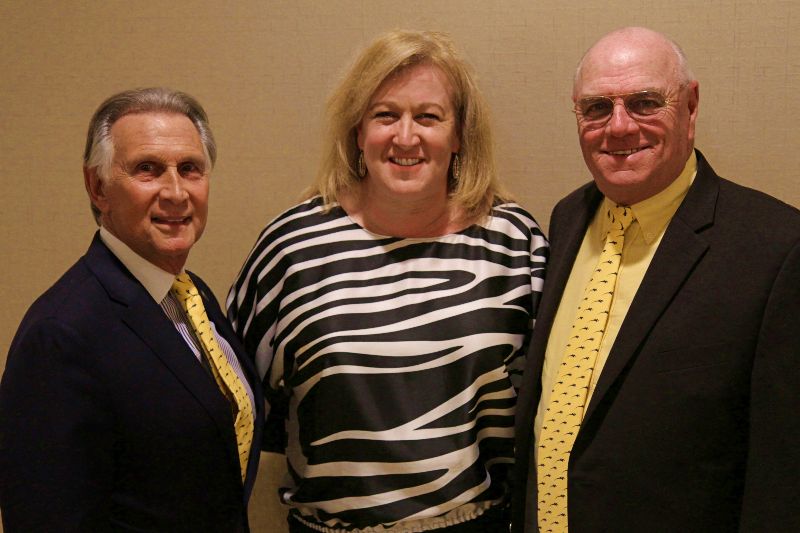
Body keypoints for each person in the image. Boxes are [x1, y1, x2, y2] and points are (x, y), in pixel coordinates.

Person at [228, 30, 547, 532]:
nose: (405, 137)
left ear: (459, 134)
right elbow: (243, 410)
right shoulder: (290, 248)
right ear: (358, 131)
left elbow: (542, 415)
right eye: (385, 115)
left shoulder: (514, 244)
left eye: (428, 116)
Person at [512, 26, 800, 532]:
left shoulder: (776, 249)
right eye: (597, 107)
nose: (619, 127)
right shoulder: (567, 218)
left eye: (645, 102)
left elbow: (782, 474)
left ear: (690, 106)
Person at [0, 88, 263, 532]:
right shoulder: (61, 334)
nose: (176, 192)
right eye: (148, 169)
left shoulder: (191, 296)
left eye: (190, 169)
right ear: (98, 187)